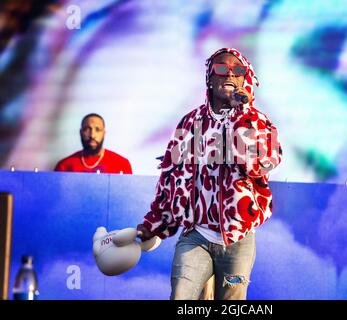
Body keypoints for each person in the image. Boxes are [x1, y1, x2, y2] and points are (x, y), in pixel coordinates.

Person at [137, 48, 282, 300]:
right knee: (181, 297)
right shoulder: (190, 123)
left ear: (244, 79)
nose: (230, 74)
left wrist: (242, 115)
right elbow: (171, 178)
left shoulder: (257, 120)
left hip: (238, 237)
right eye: (222, 69)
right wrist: (155, 224)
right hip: (196, 234)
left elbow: (262, 165)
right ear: (209, 78)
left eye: (237, 70)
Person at [54, 113, 132, 174]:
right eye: (87, 129)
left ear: (104, 134)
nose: (92, 135)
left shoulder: (122, 164)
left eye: (97, 129)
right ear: (81, 133)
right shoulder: (64, 166)